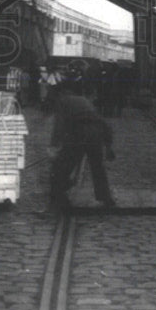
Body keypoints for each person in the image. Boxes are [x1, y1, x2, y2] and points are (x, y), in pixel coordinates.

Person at [46, 77, 116, 211]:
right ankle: (106, 197)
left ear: (61, 92)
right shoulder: (83, 100)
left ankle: (59, 195)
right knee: (97, 166)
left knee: (64, 164)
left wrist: (54, 145)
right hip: (96, 132)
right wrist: (108, 145)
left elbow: (59, 126)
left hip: (79, 132)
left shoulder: (62, 101)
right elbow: (101, 121)